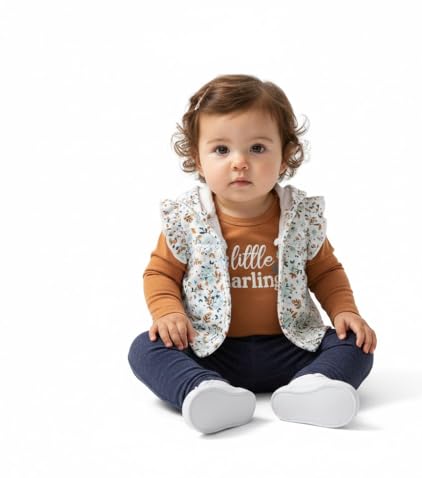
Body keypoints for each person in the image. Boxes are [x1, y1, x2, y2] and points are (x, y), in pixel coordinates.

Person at [128, 74, 377, 434]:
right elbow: (160, 274)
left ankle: (312, 385)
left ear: (285, 155)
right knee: (145, 348)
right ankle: (203, 389)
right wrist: (168, 314)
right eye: (221, 150)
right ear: (197, 158)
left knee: (357, 342)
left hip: (291, 345)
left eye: (257, 148)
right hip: (212, 348)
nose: (240, 162)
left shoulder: (299, 215)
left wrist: (345, 311)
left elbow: (325, 271)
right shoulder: (188, 218)